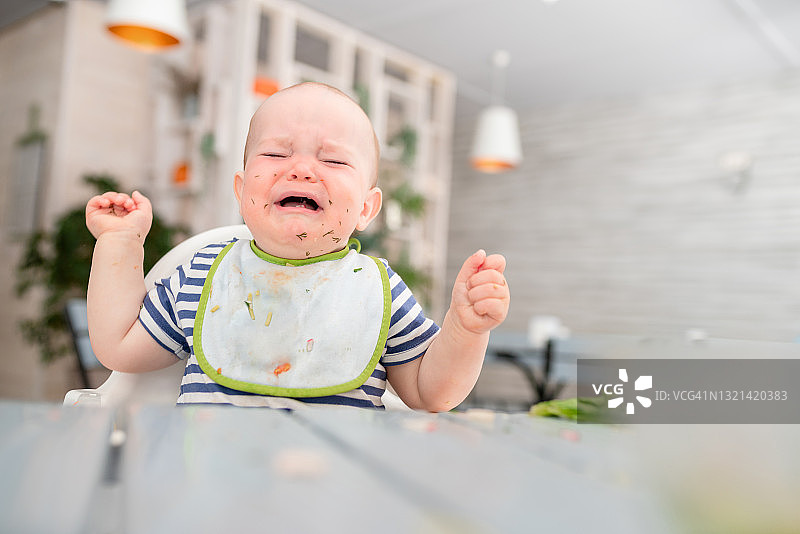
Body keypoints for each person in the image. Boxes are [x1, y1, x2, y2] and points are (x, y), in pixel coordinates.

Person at [85, 82, 509, 411]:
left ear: (366, 207)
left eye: (333, 160)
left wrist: (465, 330)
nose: (302, 169)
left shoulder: (378, 291)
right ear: (241, 191)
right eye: (275, 154)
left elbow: (429, 394)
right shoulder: (204, 276)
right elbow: (118, 347)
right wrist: (119, 243)